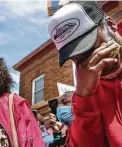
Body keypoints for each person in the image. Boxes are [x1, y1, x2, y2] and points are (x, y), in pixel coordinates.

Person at [48, 1, 122, 147]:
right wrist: (83, 97)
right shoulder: (88, 94)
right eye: (78, 59)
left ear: (110, 25)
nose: (90, 63)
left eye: (90, 49)